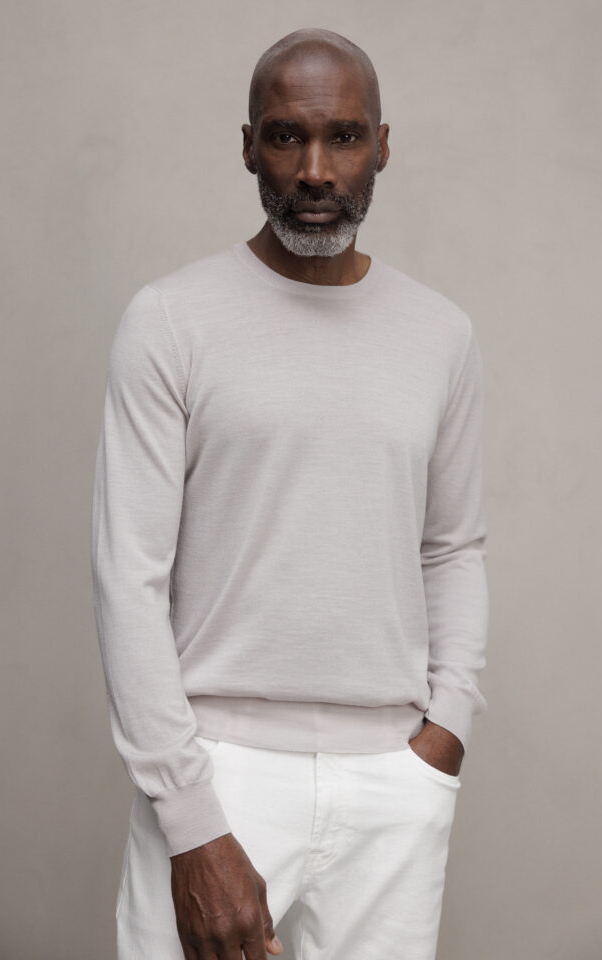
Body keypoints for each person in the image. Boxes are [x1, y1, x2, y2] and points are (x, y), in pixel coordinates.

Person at [90, 26, 489, 960]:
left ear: (381, 146)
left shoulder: (441, 335)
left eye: (343, 137)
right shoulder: (170, 322)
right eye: (286, 136)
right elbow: (127, 578)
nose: (315, 170)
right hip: (218, 774)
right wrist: (191, 819)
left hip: (394, 780)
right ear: (248, 147)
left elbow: (452, 546)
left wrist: (446, 733)